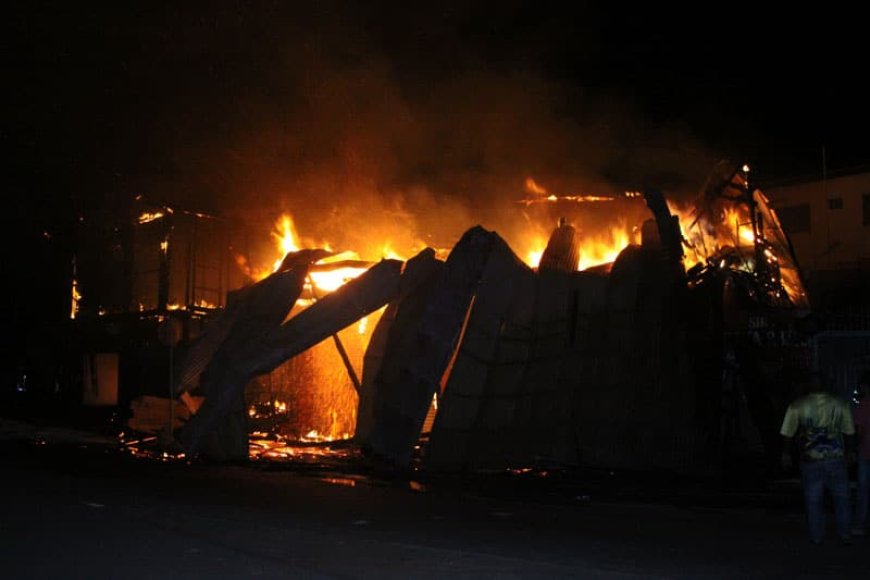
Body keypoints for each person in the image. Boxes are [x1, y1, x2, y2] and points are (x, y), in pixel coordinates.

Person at [780, 373, 855, 544]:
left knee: (813, 500)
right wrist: (850, 452)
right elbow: (849, 432)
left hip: (810, 460)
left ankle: (817, 536)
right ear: (826, 385)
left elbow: (787, 433)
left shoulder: (797, 405)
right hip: (835, 458)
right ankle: (844, 533)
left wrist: (785, 454)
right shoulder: (840, 404)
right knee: (842, 498)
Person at [852, 375, 870, 537]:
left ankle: (859, 524)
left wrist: (853, 450)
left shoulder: (863, 406)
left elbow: (859, 432)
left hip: (866, 453)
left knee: (863, 491)